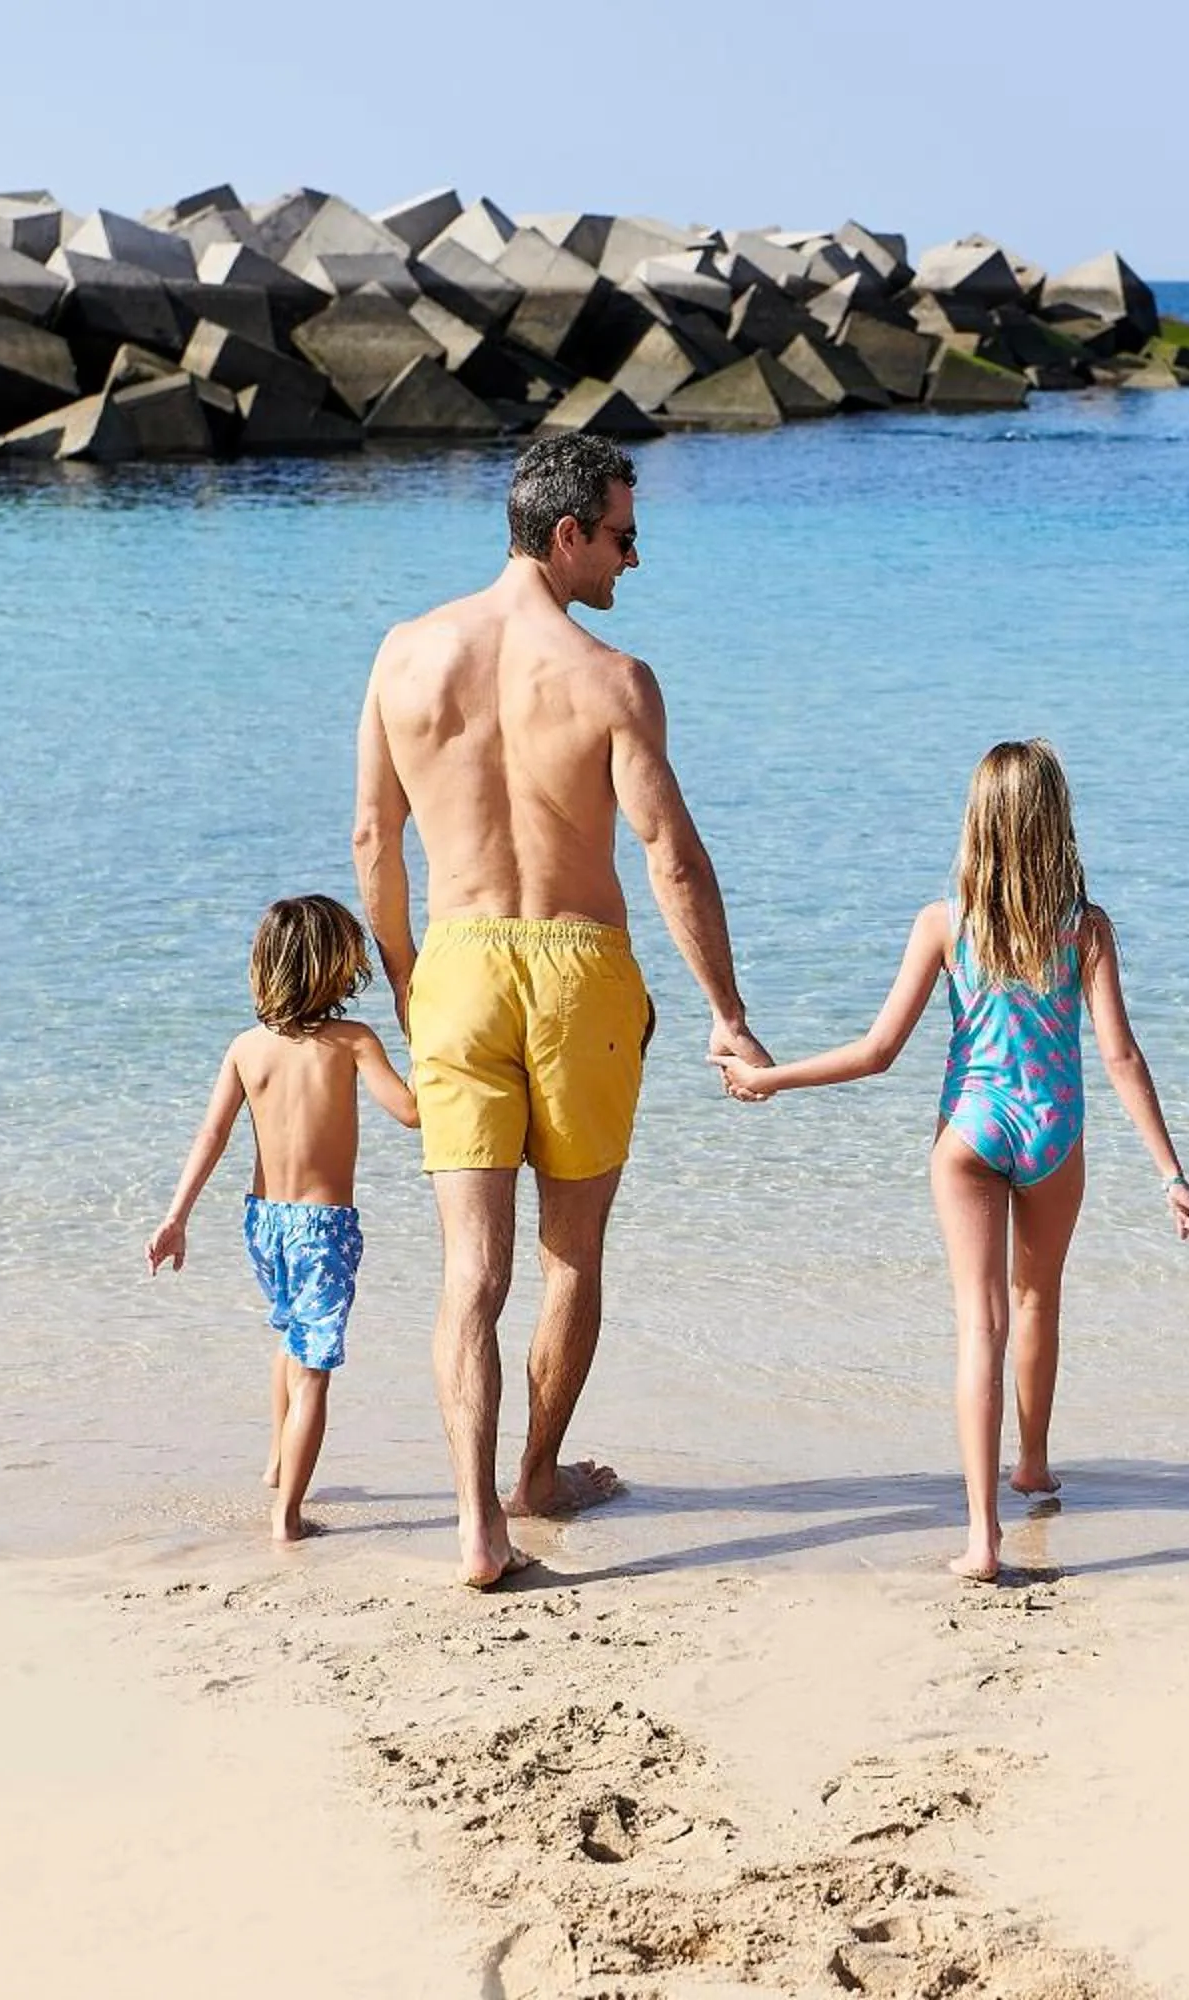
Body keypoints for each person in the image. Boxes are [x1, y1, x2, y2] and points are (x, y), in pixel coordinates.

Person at [353, 434, 771, 1588]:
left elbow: (370, 840)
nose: (636, 561)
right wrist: (727, 1011)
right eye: (625, 536)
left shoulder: (402, 656)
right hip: (581, 967)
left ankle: (478, 1528)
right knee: (569, 1256)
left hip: (459, 966)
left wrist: (408, 979)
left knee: (467, 1272)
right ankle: (535, 1475)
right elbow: (670, 858)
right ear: (567, 533)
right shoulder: (613, 679)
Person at [714, 739, 1189, 1581]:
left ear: (977, 822)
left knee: (978, 1324)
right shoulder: (1085, 931)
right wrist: (1172, 1174)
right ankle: (1035, 1465)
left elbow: (878, 1051)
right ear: (1057, 822)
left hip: (972, 1133)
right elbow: (1121, 1056)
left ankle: (982, 1538)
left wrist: (771, 1079)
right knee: (1037, 1301)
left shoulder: (945, 923)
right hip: (1055, 1134)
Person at [148, 895, 419, 1544]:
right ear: (337, 967)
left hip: (263, 1222)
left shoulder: (246, 1047)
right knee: (314, 1369)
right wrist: (451, 1064)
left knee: (291, 1337)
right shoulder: (353, 1042)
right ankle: (288, 1518)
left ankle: (276, 1464)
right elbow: (410, 1112)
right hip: (323, 1228)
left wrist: (175, 1217)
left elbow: (211, 1135)